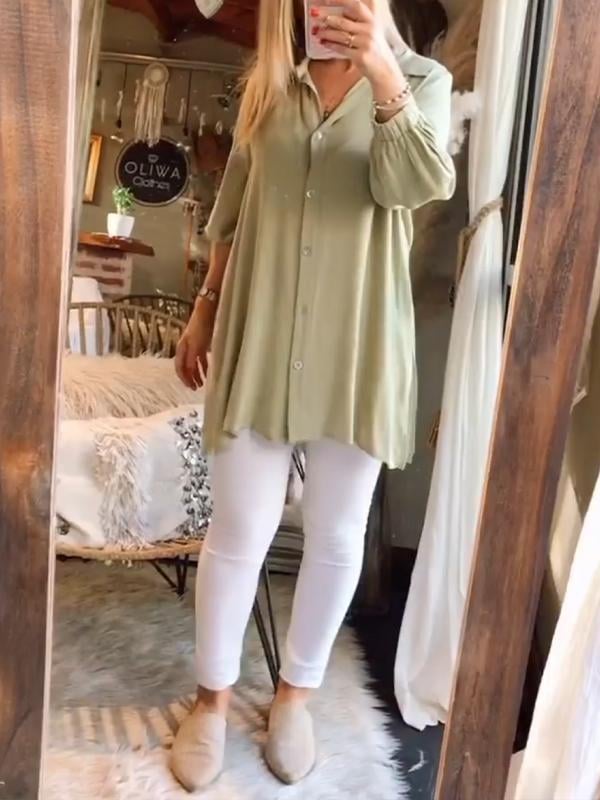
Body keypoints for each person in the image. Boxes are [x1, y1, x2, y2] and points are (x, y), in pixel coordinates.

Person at [172, 0, 455, 790]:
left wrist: (383, 75)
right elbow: (233, 208)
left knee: (334, 535)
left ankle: (295, 696)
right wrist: (204, 309)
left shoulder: (424, 81)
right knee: (238, 528)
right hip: (261, 332)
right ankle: (212, 699)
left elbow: (416, 185)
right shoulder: (270, 82)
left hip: (357, 343)